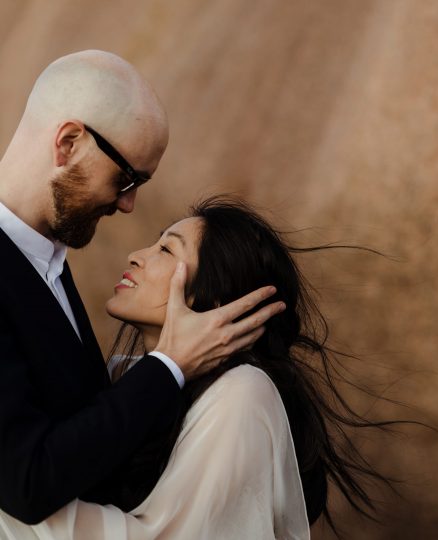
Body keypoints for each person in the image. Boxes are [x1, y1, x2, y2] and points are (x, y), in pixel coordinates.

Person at [0, 197, 397, 539]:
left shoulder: (242, 393)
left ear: (215, 301)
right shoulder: (129, 379)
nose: (137, 255)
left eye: (167, 251)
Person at [0, 51, 284, 527]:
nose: (129, 204)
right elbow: (26, 484)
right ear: (68, 143)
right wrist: (168, 366)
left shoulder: (48, 264)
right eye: (127, 178)